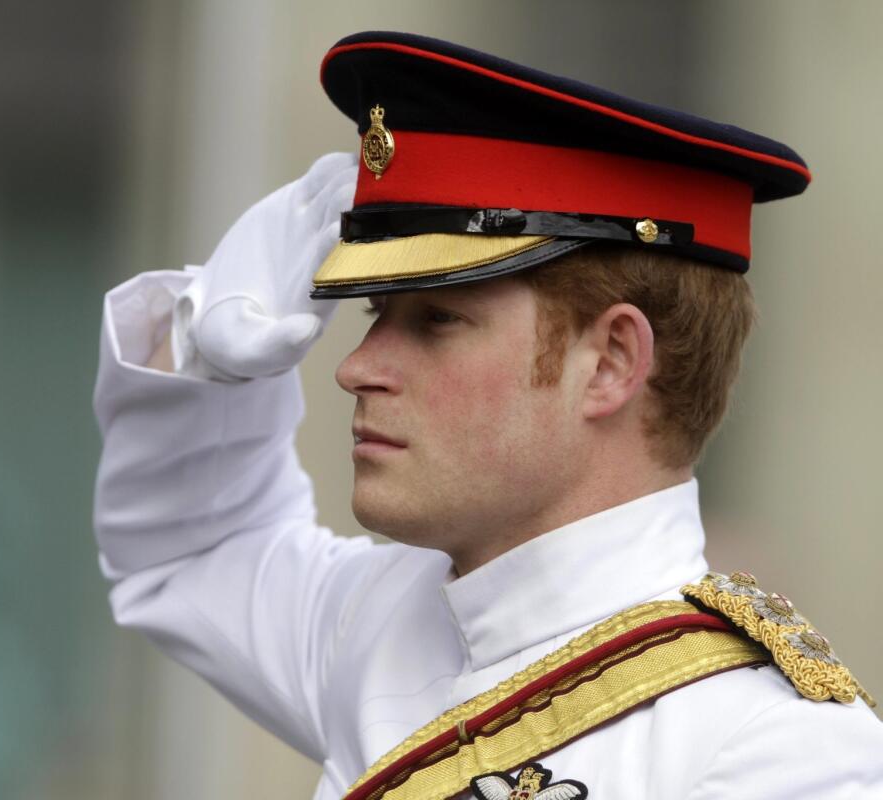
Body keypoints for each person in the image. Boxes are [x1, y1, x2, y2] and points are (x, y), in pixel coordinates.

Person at [93, 31, 883, 800]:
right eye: (375, 314)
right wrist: (206, 344)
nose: (354, 367)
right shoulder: (386, 623)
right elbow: (195, 548)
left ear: (609, 364)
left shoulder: (777, 749)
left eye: (436, 321)